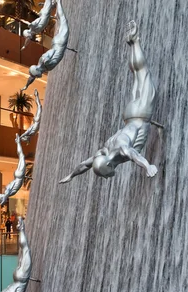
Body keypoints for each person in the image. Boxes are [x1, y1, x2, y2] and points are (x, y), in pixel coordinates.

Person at [60, 21, 158, 183]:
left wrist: (147, 166)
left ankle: (135, 40)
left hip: (141, 113)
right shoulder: (103, 152)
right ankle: (133, 43)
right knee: (137, 75)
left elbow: (134, 155)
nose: (106, 177)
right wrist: (71, 175)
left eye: (105, 173)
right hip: (129, 116)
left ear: (109, 165)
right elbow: (84, 165)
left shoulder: (120, 149)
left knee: (142, 73)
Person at [22, 0, 69, 91]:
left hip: (60, 43)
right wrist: (26, 86)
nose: (37, 77)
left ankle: (58, 2)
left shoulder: (44, 62)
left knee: (63, 20)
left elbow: (52, 52)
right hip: (57, 43)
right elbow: (32, 77)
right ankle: (57, 8)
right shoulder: (42, 64)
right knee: (62, 20)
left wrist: (48, 58)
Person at [0, 134, 26, 205]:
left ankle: (18, 142)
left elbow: (4, 200)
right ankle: (18, 142)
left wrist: (1, 202)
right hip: (17, 176)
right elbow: (4, 199)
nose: (1, 194)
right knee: (21, 156)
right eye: (0, 195)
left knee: (22, 156)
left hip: (19, 176)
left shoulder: (8, 192)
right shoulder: (7, 191)